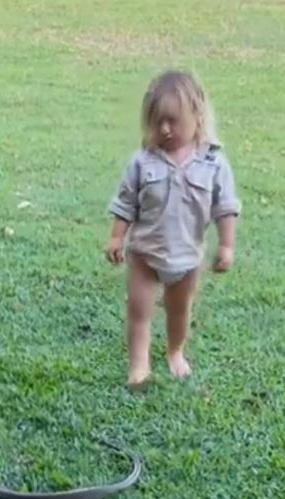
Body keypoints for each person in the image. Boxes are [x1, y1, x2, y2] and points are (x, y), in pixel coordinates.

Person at [104, 70, 240, 387]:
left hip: (187, 258)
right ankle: (139, 367)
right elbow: (126, 202)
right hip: (144, 254)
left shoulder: (213, 163)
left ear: (197, 115)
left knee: (179, 313)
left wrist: (226, 245)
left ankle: (175, 352)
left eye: (173, 120)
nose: (164, 129)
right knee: (140, 312)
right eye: (157, 122)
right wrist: (116, 236)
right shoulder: (143, 161)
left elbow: (226, 207)